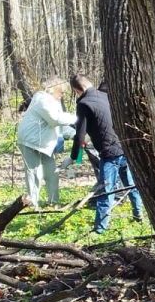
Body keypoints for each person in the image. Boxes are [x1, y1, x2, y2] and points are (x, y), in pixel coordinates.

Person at [67, 74, 143, 232]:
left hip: (109, 152)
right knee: (130, 185)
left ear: (76, 90)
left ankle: (100, 229)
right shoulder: (105, 95)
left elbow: (80, 135)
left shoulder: (83, 103)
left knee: (106, 190)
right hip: (123, 147)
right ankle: (139, 216)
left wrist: (73, 156)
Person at [17, 77, 77, 207]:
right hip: (30, 141)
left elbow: (60, 124)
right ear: (53, 89)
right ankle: (32, 203)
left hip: (45, 144)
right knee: (34, 173)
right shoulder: (42, 99)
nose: (63, 95)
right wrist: (77, 118)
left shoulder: (53, 102)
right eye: (61, 92)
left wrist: (74, 134)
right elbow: (55, 119)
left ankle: (54, 202)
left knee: (52, 173)